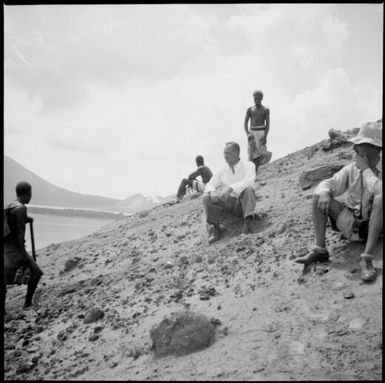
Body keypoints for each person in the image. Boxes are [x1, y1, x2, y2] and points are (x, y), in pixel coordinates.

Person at [295, 121, 382, 282]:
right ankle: (321, 250)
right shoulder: (352, 168)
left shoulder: (368, 168)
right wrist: (325, 193)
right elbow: (329, 183)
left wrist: (366, 170)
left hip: (378, 227)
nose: (354, 149)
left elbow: (379, 192)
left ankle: (367, 258)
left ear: (375, 148)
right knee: (319, 194)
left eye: (360, 144)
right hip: (354, 224)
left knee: (381, 199)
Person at [202, 142, 257, 244]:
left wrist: (230, 188)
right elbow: (210, 183)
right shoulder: (223, 169)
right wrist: (212, 191)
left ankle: (248, 224)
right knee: (206, 197)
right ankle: (216, 228)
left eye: (228, 153)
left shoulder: (249, 165)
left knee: (248, 189)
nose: (225, 156)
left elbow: (249, 181)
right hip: (228, 204)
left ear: (236, 153)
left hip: (242, 204)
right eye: (224, 153)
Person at [3, 181, 43, 313]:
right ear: (27, 194)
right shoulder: (21, 208)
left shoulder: (12, 205)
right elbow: (20, 234)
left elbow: (14, 222)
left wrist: (27, 218)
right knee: (36, 273)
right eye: (30, 194)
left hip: (6, 247)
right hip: (15, 248)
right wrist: (23, 257)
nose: (31, 196)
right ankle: (27, 303)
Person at [244, 90, 271, 175]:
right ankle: (251, 173)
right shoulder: (250, 109)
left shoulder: (266, 110)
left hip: (261, 132)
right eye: (255, 98)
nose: (256, 100)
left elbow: (268, 124)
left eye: (258, 98)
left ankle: (260, 170)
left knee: (261, 152)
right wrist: (248, 134)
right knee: (251, 153)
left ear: (261, 98)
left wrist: (265, 136)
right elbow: (245, 123)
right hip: (252, 132)